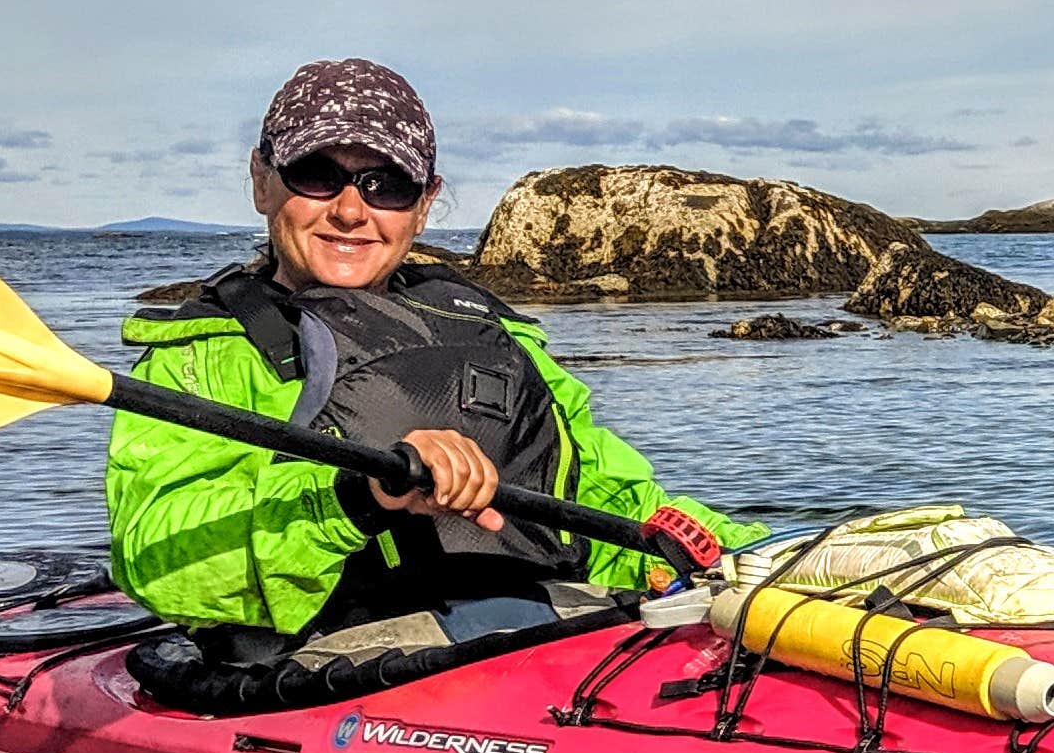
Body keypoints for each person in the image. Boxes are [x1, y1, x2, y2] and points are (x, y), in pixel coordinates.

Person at [108, 59, 744, 646]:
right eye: (317, 175)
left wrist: (768, 557)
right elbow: (157, 562)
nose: (352, 211)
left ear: (425, 204)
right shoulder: (203, 355)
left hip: (525, 649)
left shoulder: (494, 335)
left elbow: (617, 506)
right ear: (262, 181)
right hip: (323, 677)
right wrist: (354, 497)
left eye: (387, 185)